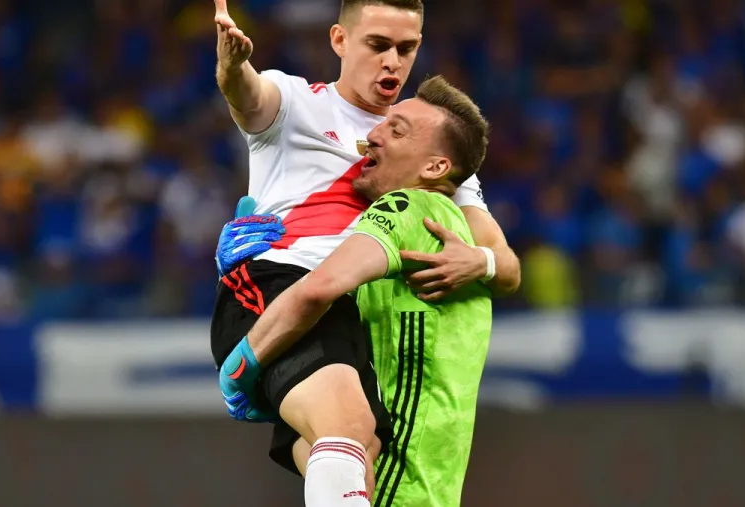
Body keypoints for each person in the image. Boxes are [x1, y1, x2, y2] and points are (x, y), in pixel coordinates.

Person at [210, 0, 520, 504]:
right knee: (351, 429)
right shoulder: (297, 102)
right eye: (378, 45)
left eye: (406, 48)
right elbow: (248, 93)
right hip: (282, 286)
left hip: (356, 319)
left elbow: (505, 265)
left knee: (361, 455)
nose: (393, 62)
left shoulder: (429, 145)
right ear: (340, 41)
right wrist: (232, 66)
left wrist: (479, 261)